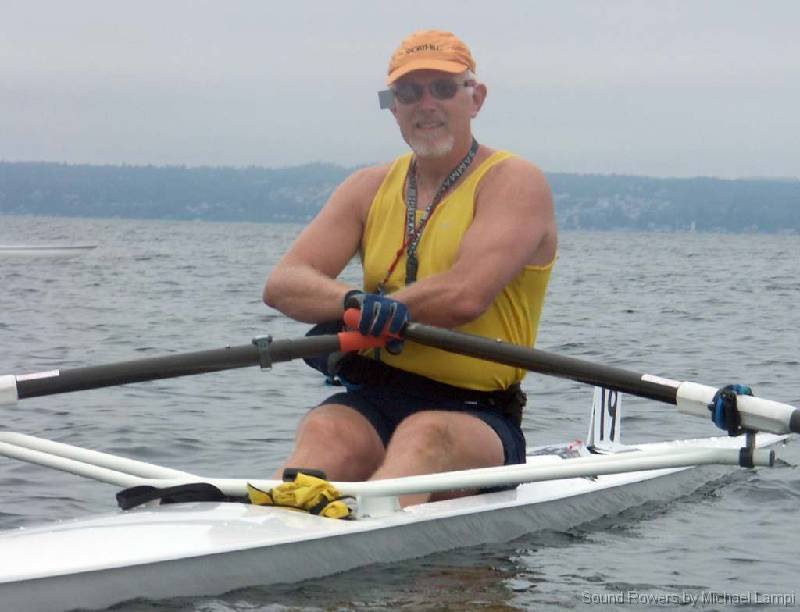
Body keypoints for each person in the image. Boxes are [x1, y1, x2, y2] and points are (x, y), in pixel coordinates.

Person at [263, 29, 557, 506]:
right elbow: (284, 283)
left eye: (443, 88)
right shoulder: (367, 187)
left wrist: (391, 307)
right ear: (393, 107)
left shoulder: (513, 181)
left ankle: (370, 526)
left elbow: (466, 294)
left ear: (476, 99)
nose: (426, 105)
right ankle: (275, 520)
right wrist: (354, 302)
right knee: (324, 432)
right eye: (408, 93)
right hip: (373, 398)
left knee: (425, 436)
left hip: (474, 412)